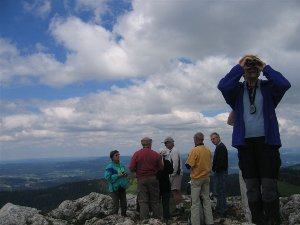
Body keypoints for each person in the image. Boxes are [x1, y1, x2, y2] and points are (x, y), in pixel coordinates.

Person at [218, 54, 291, 225]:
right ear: (242, 73)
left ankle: (273, 222)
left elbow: (284, 84)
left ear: (259, 72)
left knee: (268, 189)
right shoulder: (236, 92)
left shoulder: (268, 88)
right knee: (252, 189)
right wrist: (240, 65)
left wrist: (264, 66)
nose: (251, 69)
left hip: (267, 144)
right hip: (246, 145)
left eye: (254, 67)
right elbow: (223, 85)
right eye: (248, 67)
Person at [129, 137, 164, 220]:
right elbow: (161, 168)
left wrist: (136, 172)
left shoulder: (137, 154)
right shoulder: (155, 154)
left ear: (142, 144)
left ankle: (144, 220)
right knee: (155, 201)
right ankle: (157, 220)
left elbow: (131, 167)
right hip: (153, 178)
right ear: (150, 144)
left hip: (141, 179)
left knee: (143, 201)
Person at [228, 111, 252, 222]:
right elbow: (229, 121)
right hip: (246, 160)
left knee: (248, 192)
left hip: (251, 161)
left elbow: (230, 121)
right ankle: (251, 219)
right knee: (247, 193)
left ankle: (252, 219)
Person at [185, 132, 214, 225]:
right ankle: (209, 222)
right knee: (206, 200)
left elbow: (188, 166)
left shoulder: (194, 150)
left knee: (195, 203)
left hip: (197, 179)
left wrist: (188, 157)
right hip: (206, 178)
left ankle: (195, 222)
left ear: (196, 139)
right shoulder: (208, 150)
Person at [162, 137, 185, 215]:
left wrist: (172, 174)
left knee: (174, 191)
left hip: (176, 174)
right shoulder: (174, 150)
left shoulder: (174, 151)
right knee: (177, 191)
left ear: (171, 142)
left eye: (166, 143)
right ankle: (180, 207)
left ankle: (178, 208)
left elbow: (175, 164)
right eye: (165, 144)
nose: (165, 145)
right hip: (178, 174)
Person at [104, 150, 129, 217]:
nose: (118, 156)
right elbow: (107, 178)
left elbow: (123, 173)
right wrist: (117, 175)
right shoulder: (110, 167)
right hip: (114, 188)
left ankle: (124, 216)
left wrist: (125, 174)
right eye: (116, 155)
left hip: (122, 187)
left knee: (124, 203)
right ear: (112, 157)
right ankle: (115, 218)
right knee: (116, 204)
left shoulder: (121, 165)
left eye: (118, 155)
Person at [210, 132, 228, 217]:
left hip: (220, 172)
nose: (212, 140)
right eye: (211, 139)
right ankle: (222, 208)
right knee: (220, 191)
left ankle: (222, 210)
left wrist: (215, 168)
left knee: (220, 191)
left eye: (214, 138)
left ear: (218, 138)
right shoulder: (220, 146)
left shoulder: (221, 147)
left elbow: (221, 161)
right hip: (220, 171)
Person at [157, 149, 174, 224]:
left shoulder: (156, 163)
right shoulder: (167, 162)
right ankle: (166, 218)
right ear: (165, 156)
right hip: (166, 185)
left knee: (157, 202)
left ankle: (157, 216)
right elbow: (171, 171)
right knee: (166, 203)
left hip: (157, 185)